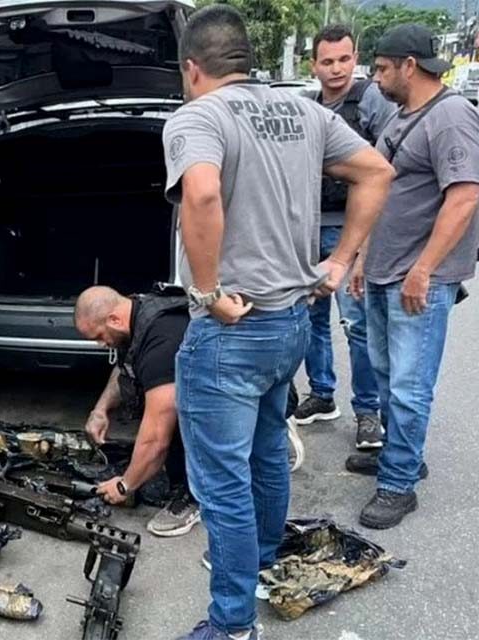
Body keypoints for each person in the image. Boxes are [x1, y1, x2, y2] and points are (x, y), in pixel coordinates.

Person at [162, 6, 394, 639]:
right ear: (244, 58)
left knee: (221, 481)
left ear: (192, 68)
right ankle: (261, 557)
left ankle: (233, 623)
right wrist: (339, 262)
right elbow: (378, 171)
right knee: (266, 448)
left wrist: (206, 292)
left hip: (231, 330)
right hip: (290, 320)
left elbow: (203, 194)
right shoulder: (305, 112)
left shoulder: (196, 117)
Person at [348, 24, 479, 530]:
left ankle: (399, 483)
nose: (375, 77)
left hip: (417, 278)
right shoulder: (405, 116)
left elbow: (465, 196)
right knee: (386, 375)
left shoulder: (450, 117)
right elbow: (381, 191)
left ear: (408, 65)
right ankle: (401, 456)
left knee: (408, 385)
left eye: (381, 68)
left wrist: (424, 269)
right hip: (384, 271)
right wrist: (361, 258)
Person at [294, 25, 396, 453]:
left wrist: (366, 240)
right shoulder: (308, 106)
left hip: (350, 230)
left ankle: (368, 412)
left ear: (356, 59)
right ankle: (321, 394)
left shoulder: (371, 100)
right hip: (309, 227)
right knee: (310, 320)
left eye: (344, 59)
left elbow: (387, 166)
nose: (336, 69)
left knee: (356, 324)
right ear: (313, 64)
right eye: (327, 61)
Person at [75, 286, 199, 537]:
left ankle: (193, 495)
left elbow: (156, 438)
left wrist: (124, 485)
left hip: (232, 398)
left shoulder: (162, 343)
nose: (101, 344)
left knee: (172, 421)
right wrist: (100, 410)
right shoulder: (135, 314)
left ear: (114, 320)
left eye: (98, 336)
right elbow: (127, 367)